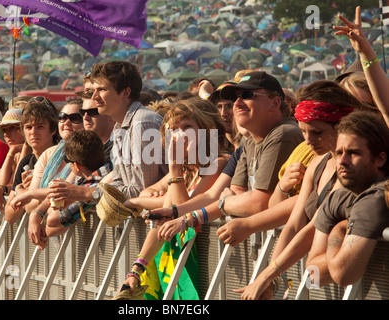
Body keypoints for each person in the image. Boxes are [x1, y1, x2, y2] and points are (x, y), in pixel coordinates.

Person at [234, 80, 366, 300]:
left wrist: (268, 275)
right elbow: (295, 224)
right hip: (317, 280)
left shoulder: (353, 169)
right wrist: (269, 281)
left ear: (342, 124)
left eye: (317, 132)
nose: (308, 141)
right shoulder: (317, 163)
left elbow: (314, 227)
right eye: (303, 131)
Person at [149, 71, 303, 239]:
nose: (237, 102)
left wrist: (225, 202)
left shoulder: (282, 134)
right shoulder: (251, 140)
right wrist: (188, 216)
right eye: (235, 97)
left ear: (274, 103)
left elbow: (258, 202)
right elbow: (235, 191)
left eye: (247, 95)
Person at [119, 97, 230, 298]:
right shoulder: (183, 172)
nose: (178, 135)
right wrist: (137, 269)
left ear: (207, 129)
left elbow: (181, 208)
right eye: (173, 130)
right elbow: (162, 219)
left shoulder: (220, 163)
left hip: (213, 275)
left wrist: (174, 170)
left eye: (186, 127)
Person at [306, 111, 389, 287]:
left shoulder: (377, 198)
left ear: (380, 159)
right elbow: (312, 276)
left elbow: (343, 274)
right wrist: (341, 231)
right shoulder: (338, 198)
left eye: (353, 153)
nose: (342, 161)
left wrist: (340, 229)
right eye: (338, 153)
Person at [88, 61, 167, 198]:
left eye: (101, 89)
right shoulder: (121, 126)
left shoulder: (141, 123)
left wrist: (85, 193)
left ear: (125, 93)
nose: (94, 96)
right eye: (93, 90)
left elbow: (141, 190)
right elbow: (120, 182)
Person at [42, 130, 107, 238]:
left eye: (67, 160)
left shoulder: (94, 184)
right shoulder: (101, 173)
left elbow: (50, 225)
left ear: (77, 166)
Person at [4, 98, 59, 225]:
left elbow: (32, 206)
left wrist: (26, 193)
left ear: (53, 129)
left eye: (40, 127)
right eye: (28, 127)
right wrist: (20, 189)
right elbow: (9, 216)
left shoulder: (60, 158)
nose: (33, 132)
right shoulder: (26, 162)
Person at [333, 6, 389, 126]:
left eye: (365, 108)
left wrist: (366, 52)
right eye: (348, 107)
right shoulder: (338, 142)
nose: (356, 115)